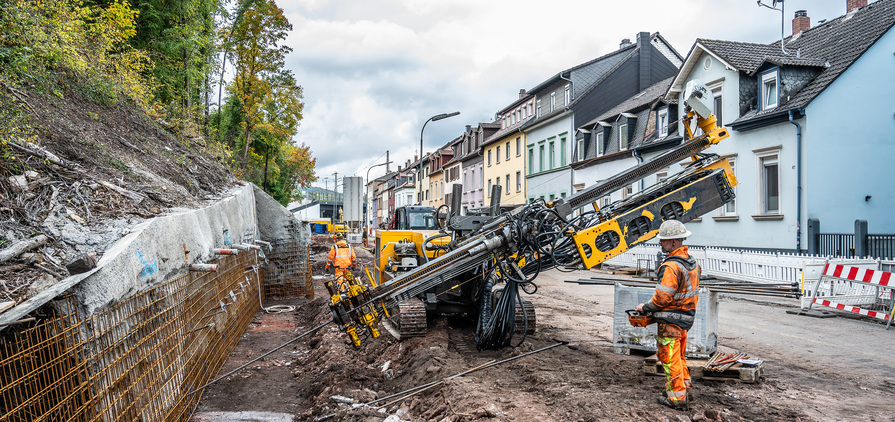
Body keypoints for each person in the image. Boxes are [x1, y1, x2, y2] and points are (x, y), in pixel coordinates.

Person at [635, 219, 701, 410]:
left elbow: (662, 298)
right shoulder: (692, 262)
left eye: (663, 240)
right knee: (679, 356)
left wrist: (645, 308)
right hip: (685, 318)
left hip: (670, 321)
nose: (660, 243)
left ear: (673, 242)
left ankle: (676, 398)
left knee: (669, 358)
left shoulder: (672, 266)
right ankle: (684, 388)